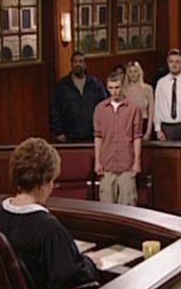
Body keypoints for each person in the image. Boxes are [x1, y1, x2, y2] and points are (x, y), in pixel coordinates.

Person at [0, 138, 99, 289]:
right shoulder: (49, 228)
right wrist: (90, 263)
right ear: (44, 182)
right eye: (53, 181)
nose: (52, 188)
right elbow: (71, 283)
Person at [93, 72, 143, 206]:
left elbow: (137, 137)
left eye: (117, 87)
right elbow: (98, 137)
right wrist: (97, 161)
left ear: (122, 87)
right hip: (107, 165)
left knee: (127, 207)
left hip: (127, 165)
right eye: (111, 88)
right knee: (107, 206)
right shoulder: (100, 109)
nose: (114, 91)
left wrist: (137, 162)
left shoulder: (133, 109)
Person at [49, 51, 108, 142]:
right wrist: (58, 132)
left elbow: (104, 106)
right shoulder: (62, 85)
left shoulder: (95, 84)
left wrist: (103, 129)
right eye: (75, 61)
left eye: (81, 61)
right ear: (71, 64)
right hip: (69, 136)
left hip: (92, 134)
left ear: (85, 64)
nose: (78, 64)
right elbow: (54, 109)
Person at [122, 61, 154, 141]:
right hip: (128, 125)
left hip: (144, 123)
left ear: (139, 73)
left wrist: (148, 132)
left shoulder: (148, 89)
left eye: (135, 71)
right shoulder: (123, 90)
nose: (133, 74)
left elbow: (151, 111)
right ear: (127, 74)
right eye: (130, 71)